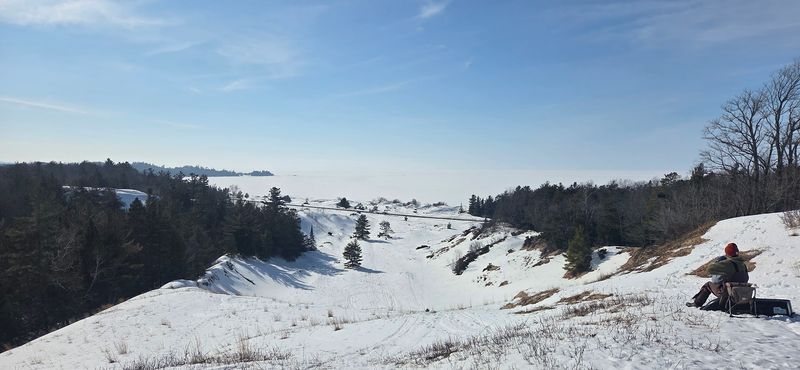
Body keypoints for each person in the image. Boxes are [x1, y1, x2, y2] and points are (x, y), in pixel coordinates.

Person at [688, 243, 749, 308]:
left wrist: (718, 261)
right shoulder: (743, 265)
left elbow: (710, 269)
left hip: (728, 293)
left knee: (708, 285)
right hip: (741, 293)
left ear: (727, 253)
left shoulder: (728, 263)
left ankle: (697, 303)